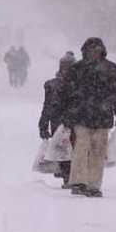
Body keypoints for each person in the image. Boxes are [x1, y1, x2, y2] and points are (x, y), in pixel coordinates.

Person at [59, 38, 116, 198]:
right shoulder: (84, 69)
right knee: (82, 148)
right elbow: (66, 93)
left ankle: (93, 184)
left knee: (97, 150)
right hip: (84, 116)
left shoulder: (108, 69)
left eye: (96, 49)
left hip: (96, 116)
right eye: (91, 49)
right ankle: (80, 182)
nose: (94, 52)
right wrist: (67, 114)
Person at [38, 51, 76, 187]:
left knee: (66, 150)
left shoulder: (53, 84)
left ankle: (69, 177)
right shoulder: (77, 84)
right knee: (67, 150)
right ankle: (68, 177)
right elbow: (47, 106)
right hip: (68, 122)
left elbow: (47, 106)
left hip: (63, 122)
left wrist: (43, 124)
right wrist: (43, 125)